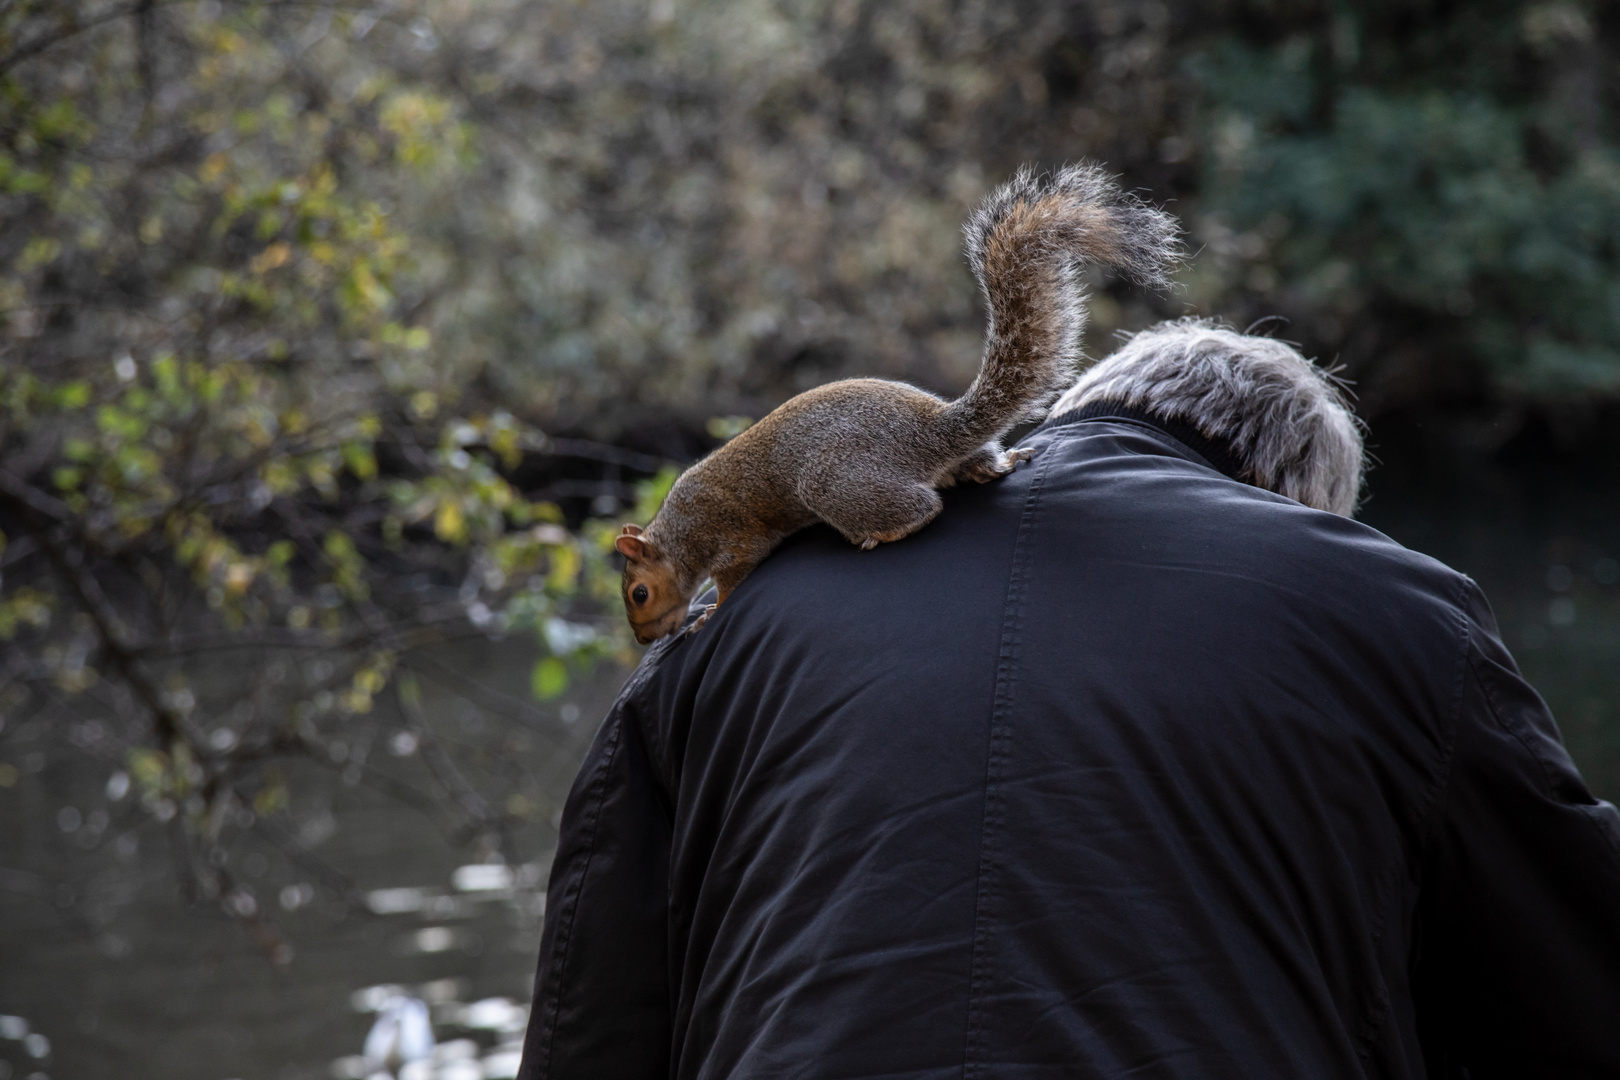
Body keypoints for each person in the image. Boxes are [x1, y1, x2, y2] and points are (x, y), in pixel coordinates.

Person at [516, 319, 1620, 1080]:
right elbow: (1570, 971)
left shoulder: (728, 627)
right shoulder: (1397, 610)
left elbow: (598, 1002)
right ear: (1298, 507)